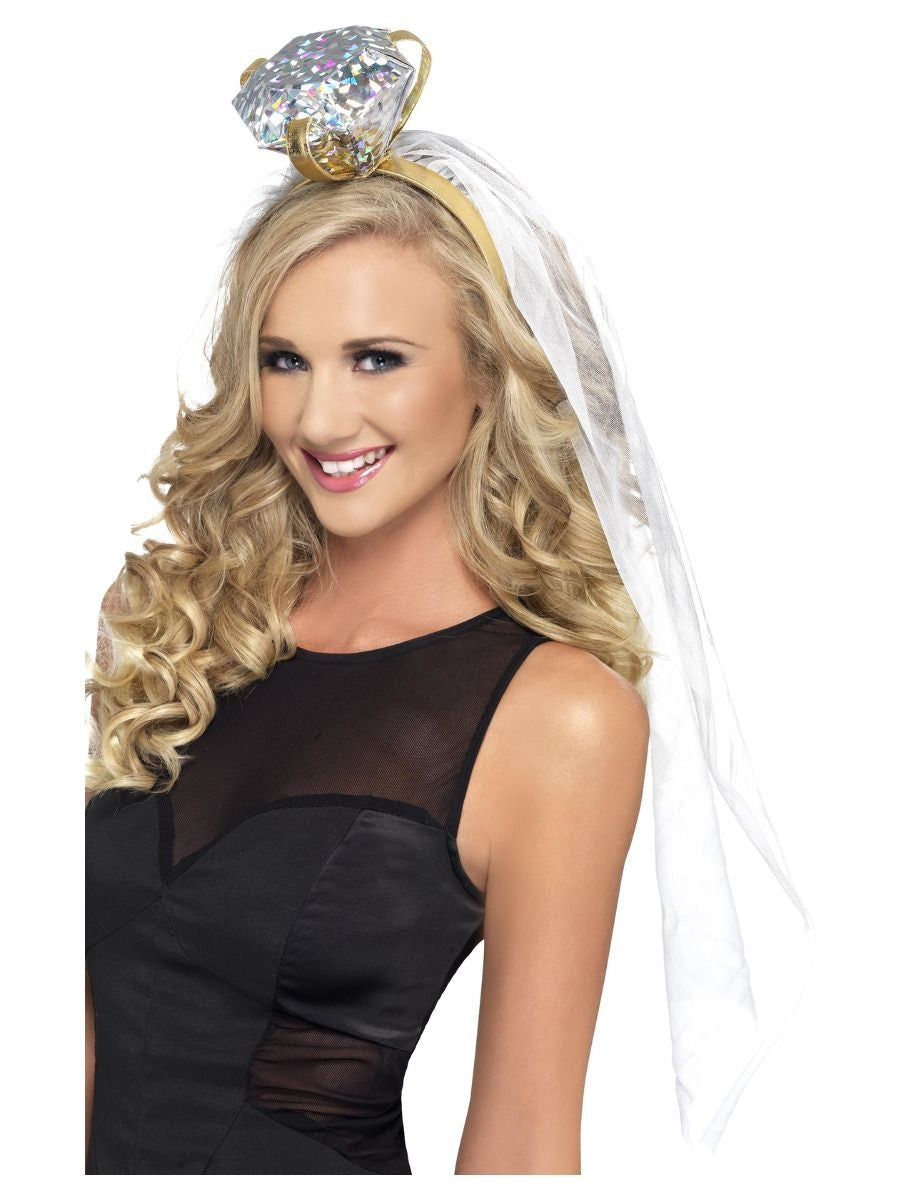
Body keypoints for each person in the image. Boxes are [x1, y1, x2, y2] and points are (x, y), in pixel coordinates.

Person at [85, 24, 813, 1175]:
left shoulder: (558, 714)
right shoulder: (180, 628)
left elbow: (523, 1142)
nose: (321, 418)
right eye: (284, 359)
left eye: (377, 358)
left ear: (487, 373)